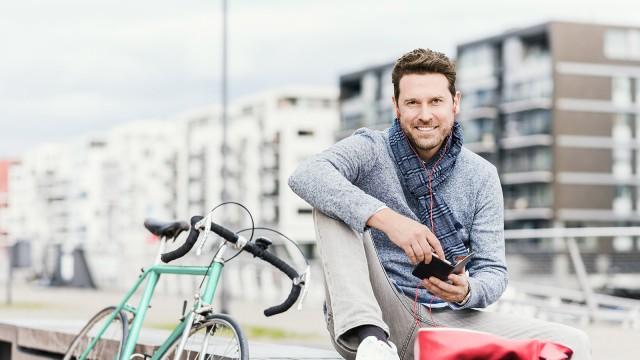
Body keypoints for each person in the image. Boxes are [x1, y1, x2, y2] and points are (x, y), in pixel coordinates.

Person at [288, 48, 591, 360]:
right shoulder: (369, 149)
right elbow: (306, 174)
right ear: (396, 106)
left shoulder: (482, 175)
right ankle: (372, 343)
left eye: (435, 101)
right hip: (377, 317)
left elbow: (494, 271)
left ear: (455, 103)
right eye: (412, 103)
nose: (425, 114)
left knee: (573, 341)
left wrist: (467, 290)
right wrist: (388, 220)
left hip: (446, 319)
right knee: (330, 198)